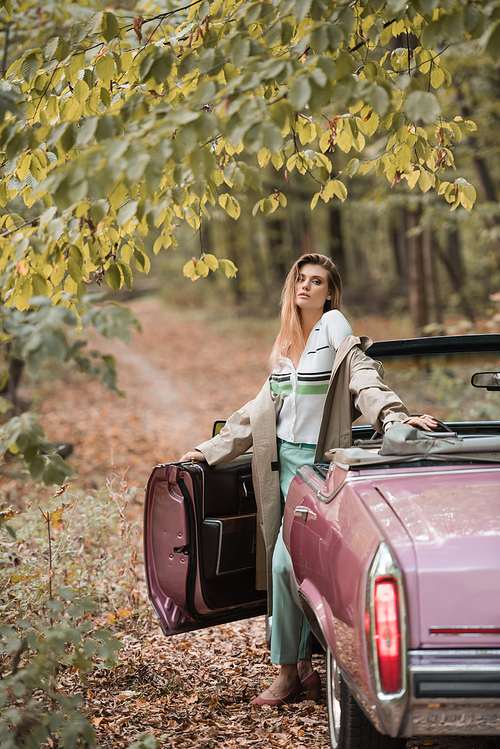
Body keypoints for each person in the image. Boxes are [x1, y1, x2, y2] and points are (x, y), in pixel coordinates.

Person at [180, 253, 436, 706]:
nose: (306, 286)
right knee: (283, 568)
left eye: (316, 281)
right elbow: (257, 412)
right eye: (300, 279)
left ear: (330, 292)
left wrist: (397, 418)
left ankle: (287, 675)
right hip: (276, 470)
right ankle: (301, 670)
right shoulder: (285, 343)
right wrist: (208, 450)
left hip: (314, 469)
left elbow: (363, 375)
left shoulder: (335, 325)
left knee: (284, 564)